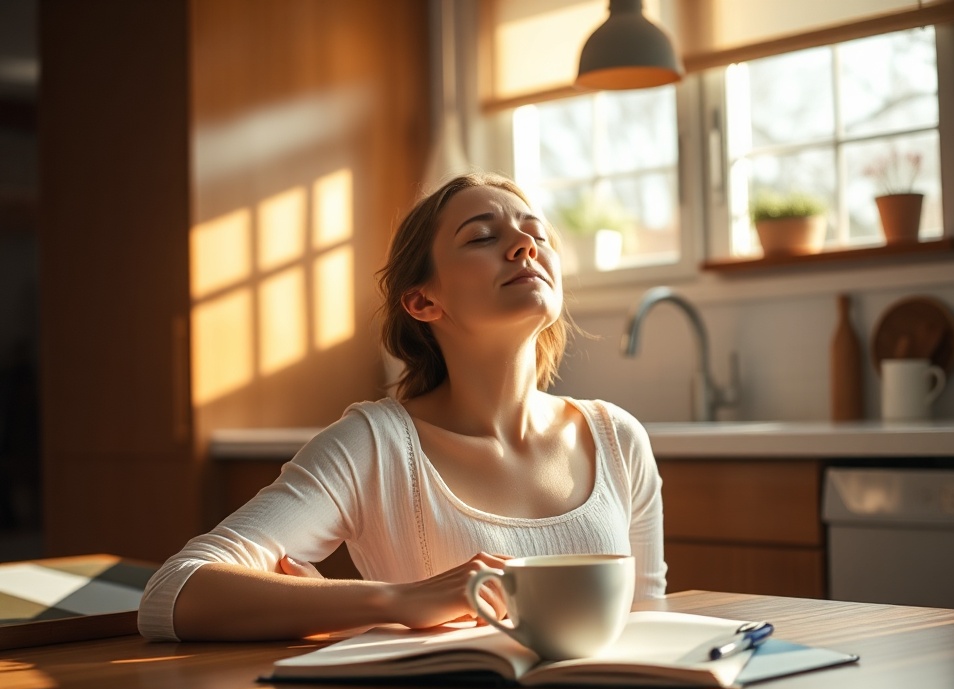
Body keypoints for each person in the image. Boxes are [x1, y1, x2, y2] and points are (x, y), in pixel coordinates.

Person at [138, 172, 666, 642]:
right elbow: (174, 591)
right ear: (422, 301)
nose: (524, 245)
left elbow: (649, 626)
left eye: (537, 233)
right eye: (483, 237)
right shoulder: (374, 446)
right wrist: (399, 600)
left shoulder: (618, 439)